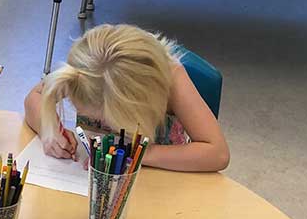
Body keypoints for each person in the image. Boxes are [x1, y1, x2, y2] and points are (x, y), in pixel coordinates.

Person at [23, 24, 229, 172]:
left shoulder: (170, 78)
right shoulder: (85, 73)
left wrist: (136, 154)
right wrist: (49, 131)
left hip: (162, 186)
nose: (103, 125)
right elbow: (35, 97)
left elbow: (217, 153)